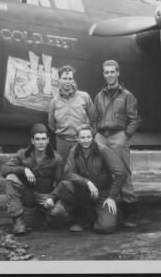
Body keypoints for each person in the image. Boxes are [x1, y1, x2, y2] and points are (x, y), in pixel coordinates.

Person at [94, 60, 141, 228]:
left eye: (112, 72)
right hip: (101, 136)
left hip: (118, 136)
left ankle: (130, 214)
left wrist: (125, 135)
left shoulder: (127, 95)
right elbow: (95, 118)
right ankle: (102, 210)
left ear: (118, 73)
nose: (109, 75)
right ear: (103, 74)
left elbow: (135, 119)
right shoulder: (99, 96)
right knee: (98, 171)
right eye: (106, 72)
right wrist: (95, 135)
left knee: (123, 173)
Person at [57, 125, 126, 234]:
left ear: (92, 137)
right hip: (84, 192)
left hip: (103, 193)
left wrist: (112, 196)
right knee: (65, 186)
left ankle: (97, 216)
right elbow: (68, 172)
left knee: (106, 227)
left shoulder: (102, 150)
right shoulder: (74, 151)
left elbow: (121, 173)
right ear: (77, 139)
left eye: (88, 137)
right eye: (82, 138)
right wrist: (87, 182)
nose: (86, 141)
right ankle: (81, 216)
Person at [2, 123, 68, 235]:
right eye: (37, 139)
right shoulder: (23, 154)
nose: (41, 142)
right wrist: (24, 170)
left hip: (46, 196)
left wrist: (52, 198)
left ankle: (43, 214)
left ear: (48, 140)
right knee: (11, 178)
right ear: (32, 141)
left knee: (59, 213)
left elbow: (60, 183)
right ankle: (18, 221)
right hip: (29, 194)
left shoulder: (56, 159)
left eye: (43, 139)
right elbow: (4, 169)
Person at [48, 65, 96, 162]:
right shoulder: (54, 101)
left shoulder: (84, 97)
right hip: (62, 143)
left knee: (83, 168)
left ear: (73, 80)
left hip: (82, 142)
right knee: (63, 170)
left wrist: (87, 137)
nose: (67, 81)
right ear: (59, 80)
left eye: (70, 78)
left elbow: (93, 119)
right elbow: (51, 125)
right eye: (65, 78)